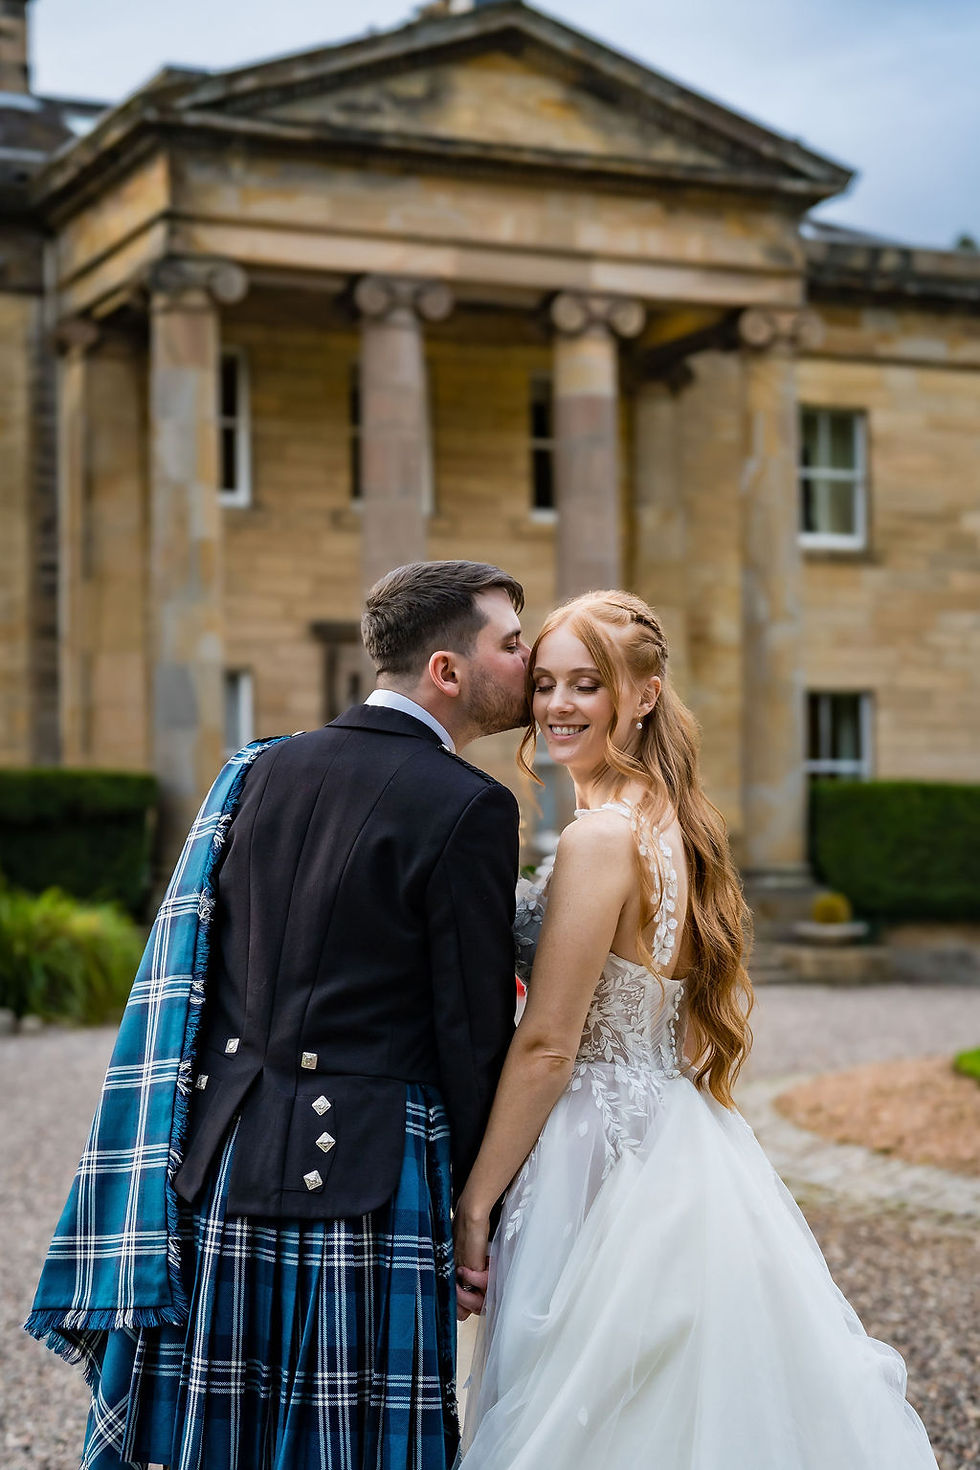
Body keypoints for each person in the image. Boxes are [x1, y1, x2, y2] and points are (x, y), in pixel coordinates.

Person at [27, 559, 530, 1470]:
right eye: (512, 643)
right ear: (447, 672)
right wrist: (482, 1200)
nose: (528, 663)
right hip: (374, 1170)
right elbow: (470, 1032)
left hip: (221, 1157)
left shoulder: (261, 769)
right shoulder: (468, 805)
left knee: (224, 1440)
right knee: (351, 1446)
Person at [454, 590, 939, 1470]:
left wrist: (476, 1201)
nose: (558, 705)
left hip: (591, 1149)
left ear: (642, 695)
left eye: (587, 686)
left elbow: (550, 1044)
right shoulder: (665, 820)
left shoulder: (603, 835)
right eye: (547, 683)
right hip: (674, 1131)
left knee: (581, 1409)